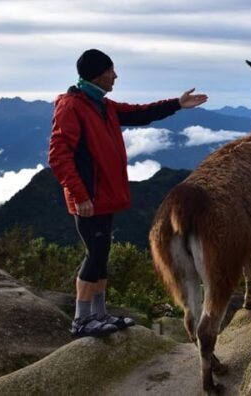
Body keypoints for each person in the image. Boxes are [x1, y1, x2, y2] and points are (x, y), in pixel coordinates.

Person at [48, 49, 208, 337]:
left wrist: (177, 104)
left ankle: (99, 314)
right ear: (98, 74)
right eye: (112, 71)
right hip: (90, 200)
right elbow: (59, 156)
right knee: (94, 255)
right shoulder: (72, 106)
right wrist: (80, 195)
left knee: (101, 255)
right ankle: (81, 320)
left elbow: (140, 113)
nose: (116, 76)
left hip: (104, 198)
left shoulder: (103, 106)